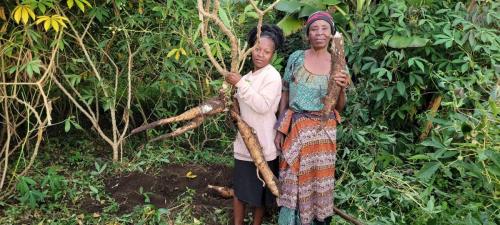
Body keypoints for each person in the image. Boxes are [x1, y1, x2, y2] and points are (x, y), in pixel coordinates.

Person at [273, 11, 350, 225]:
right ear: (308, 34)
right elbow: (285, 92)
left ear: (331, 33)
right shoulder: (296, 57)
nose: (319, 33)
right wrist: (280, 127)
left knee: (319, 184)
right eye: (314, 29)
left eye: (324, 28)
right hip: (296, 129)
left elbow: (340, 107)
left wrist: (342, 89)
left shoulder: (339, 63)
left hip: (323, 135)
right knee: (291, 182)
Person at [225, 24, 285, 225]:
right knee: (240, 191)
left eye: (267, 52)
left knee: (260, 194)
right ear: (250, 48)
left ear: (273, 54)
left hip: (264, 146)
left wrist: (240, 84)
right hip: (243, 145)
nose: (260, 55)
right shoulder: (248, 77)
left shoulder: (272, 76)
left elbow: (262, 106)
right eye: (257, 49)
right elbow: (241, 110)